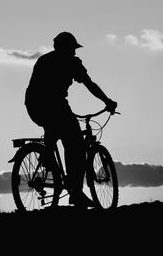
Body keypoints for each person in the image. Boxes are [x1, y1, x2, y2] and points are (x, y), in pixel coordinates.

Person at [24, 31, 117, 208]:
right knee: (75, 142)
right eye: (72, 48)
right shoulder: (64, 62)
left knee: (63, 134)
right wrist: (108, 101)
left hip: (40, 105)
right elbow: (89, 84)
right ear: (65, 48)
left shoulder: (50, 60)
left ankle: (49, 156)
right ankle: (75, 192)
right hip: (47, 104)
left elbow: (88, 83)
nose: (74, 52)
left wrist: (106, 100)